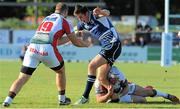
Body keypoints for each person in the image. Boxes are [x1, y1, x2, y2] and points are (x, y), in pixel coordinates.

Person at [2, 2, 90, 107]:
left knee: (22, 78)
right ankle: (62, 99)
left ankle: (7, 100)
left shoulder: (46, 18)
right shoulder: (64, 21)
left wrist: (72, 36)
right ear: (65, 12)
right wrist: (85, 44)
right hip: (47, 48)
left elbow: (57, 41)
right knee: (61, 71)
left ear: (56, 10)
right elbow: (75, 42)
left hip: (32, 48)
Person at [73, 5, 121, 104]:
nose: (80, 19)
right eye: (78, 18)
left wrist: (101, 12)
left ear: (86, 13)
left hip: (112, 44)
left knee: (92, 66)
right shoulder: (83, 23)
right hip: (109, 47)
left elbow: (107, 13)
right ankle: (115, 97)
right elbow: (74, 31)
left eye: (81, 17)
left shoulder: (95, 14)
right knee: (102, 78)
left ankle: (85, 97)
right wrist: (74, 35)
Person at [95, 66, 180, 103]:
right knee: (143, 100)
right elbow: (99, 100)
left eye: (117, 79)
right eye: (113, 79)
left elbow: (126, 86)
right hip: (118, 97)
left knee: (148, 91)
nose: (116, 80)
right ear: (108, 77)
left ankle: (168, 96)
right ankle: (113, 101)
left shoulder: (120, 75)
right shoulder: (99, 82)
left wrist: (124, 92)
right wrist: (108, 95)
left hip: (124, 91)